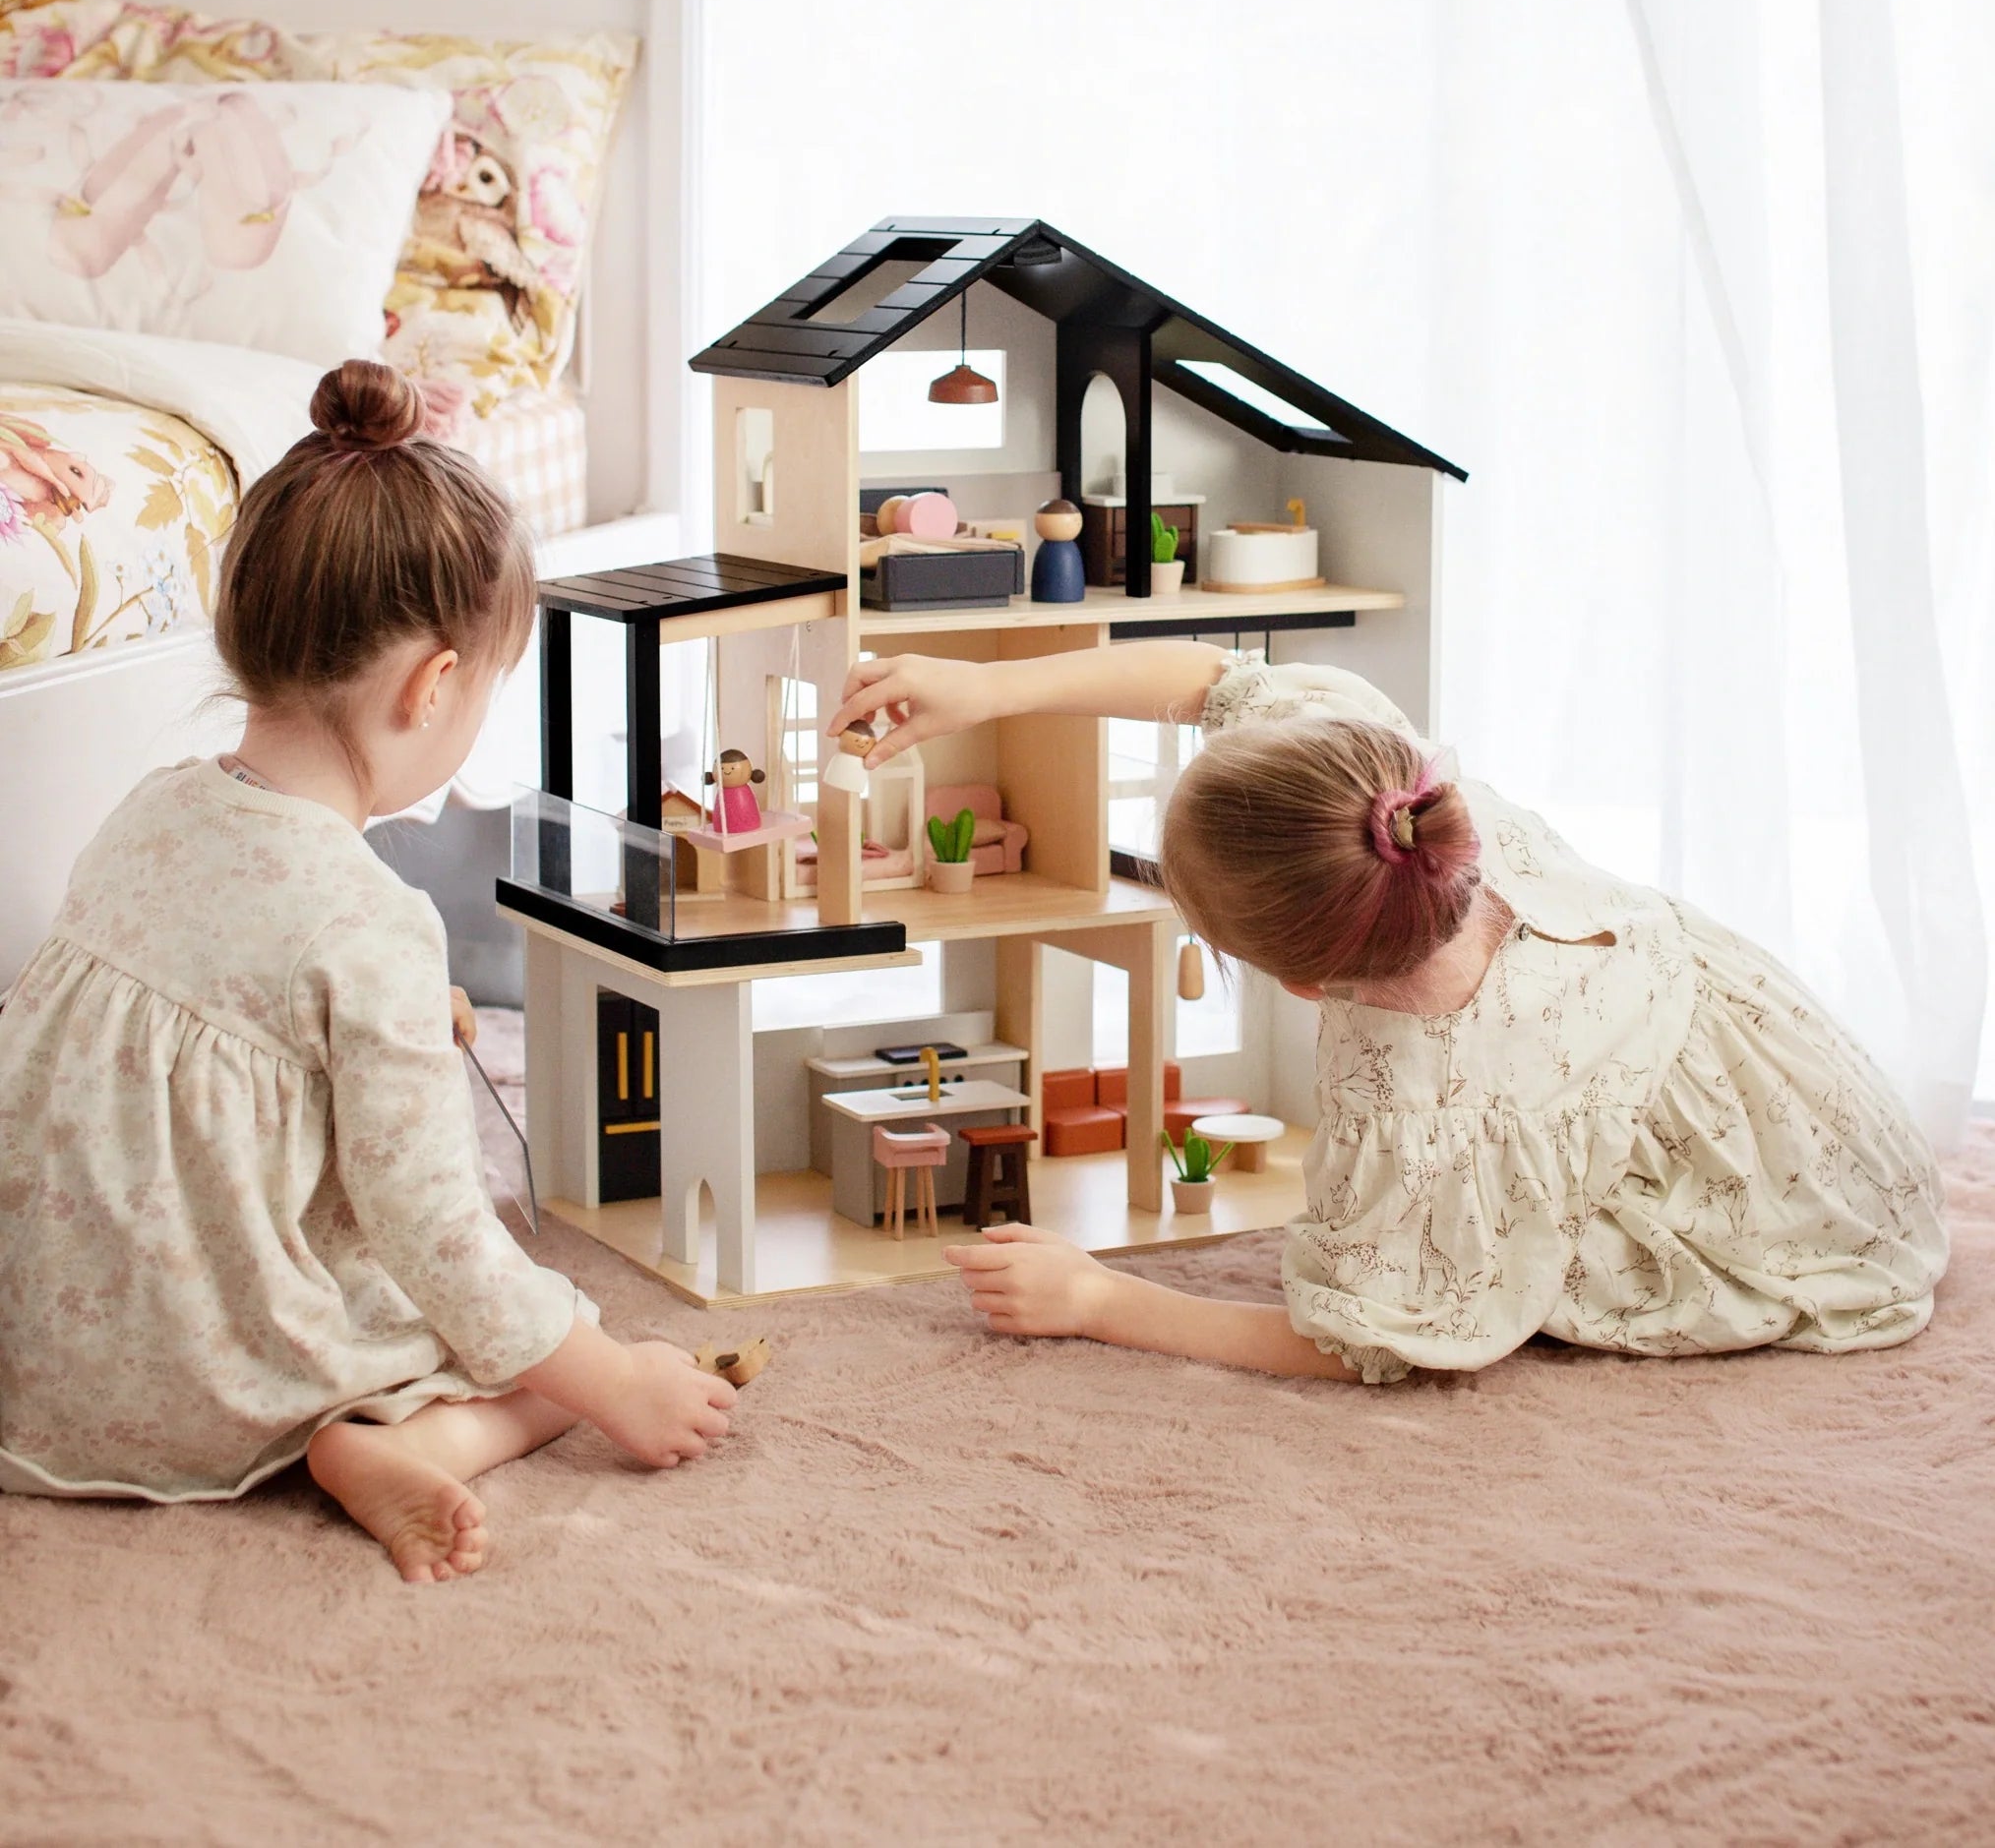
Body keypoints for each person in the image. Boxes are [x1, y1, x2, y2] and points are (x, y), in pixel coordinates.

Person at [0, 361, 735, 1579]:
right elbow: (437, 1231)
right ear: (434, 684)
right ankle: (403, 1438)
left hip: (29, 1349)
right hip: (201, 1378)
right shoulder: (375, 922)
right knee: (544, 1338)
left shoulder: (150, 809)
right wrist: (616, 1383)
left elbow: (217, 1002)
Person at [828, 641, 1948, 1384]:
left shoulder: (1433, 1093)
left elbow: (1365, 1338)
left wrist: (1098, 1297)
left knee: (1486, 1270)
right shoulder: (1384, 784)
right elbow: (1214, 679)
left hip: (1797, 1225)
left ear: (1302, 984)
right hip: (1801, 1087)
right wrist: (989, 688)